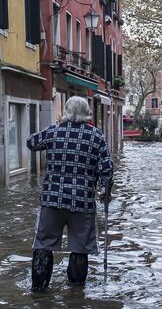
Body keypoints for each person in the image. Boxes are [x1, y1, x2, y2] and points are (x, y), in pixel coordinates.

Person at [26, 96, 113, 291]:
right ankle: (76, 292)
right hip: (82, 202)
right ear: (87, 113)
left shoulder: (54, 131)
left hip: (52, 201)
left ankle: (39, 291)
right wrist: (105, 192)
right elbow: (107, 169)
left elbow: (31, 142)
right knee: (80, 247)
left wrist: (54, 133)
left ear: (66, 112)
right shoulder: (96, 136)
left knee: (43, 244)